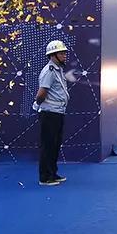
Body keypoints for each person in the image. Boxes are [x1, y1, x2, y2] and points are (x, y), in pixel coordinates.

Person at [34, 40, 70, 186]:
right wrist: (38, 103)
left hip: (58, 112)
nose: (64, 55)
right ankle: (45, 177)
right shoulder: (49, 71)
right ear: (53, 55)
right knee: (48, 146)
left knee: (54, 145)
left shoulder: (58, 70)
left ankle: (53, 173)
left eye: (64, 53)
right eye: (61, 53)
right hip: (50, 113)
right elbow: (42, 93)